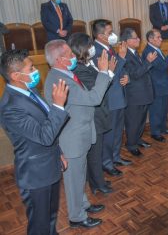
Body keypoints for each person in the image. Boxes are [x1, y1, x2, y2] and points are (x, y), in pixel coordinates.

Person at [44, 39, 112, 228]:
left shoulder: (66, 73)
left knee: (79, 176)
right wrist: (104, 72)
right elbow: (94, 98)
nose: (74, 57)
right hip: (71, 140)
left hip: (80, 134)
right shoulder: (60, 80)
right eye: (70, 55)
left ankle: (83, 205)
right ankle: (76, 217)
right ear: (59, 59)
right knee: (73, 180)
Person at [0, 49, 69, 235]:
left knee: (51, 217)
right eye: (31, 68)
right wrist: (58, 106)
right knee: (39, 225)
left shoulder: (28, 90)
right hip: (35, 175)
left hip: (50, 165)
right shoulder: (10, 107)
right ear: (16, 75)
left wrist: (59, 153)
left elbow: (47, 126)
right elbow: (44, 136)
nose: (35, 71)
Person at [68, 33, 114, 195]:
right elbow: (96, 91)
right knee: (94, 153)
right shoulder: (79, 69)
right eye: (89, 45)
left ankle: (97, 179)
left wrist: (107, 72)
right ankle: (97, 185)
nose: (93, 48)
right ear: (82, 49)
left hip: (99, 113)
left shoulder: (88, 64)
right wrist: (107, 73)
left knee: (96, 152)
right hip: (93, 115)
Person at [92, 19, 131, 177]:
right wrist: (121, 57)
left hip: (118, 96)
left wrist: (127, 77)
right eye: (109, 32)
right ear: (101, 36)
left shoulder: (110, 48)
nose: (113, 35)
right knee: (109, 134)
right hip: (109, 98)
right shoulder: (95, 51)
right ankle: (106, 163)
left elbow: (121, 70)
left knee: (117, 131)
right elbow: (106, 76)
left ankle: (115, 157)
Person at [120, 28, 156, 156]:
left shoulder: (135, 52)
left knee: (141, 121)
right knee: (133, 122)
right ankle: (131, 144)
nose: (138, 39)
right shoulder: (125, 56)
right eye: (135, 38)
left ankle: (137, 139)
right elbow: (134, 74)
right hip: (134, 95)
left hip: (143, 93)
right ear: (127, 41)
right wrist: (148, 62)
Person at [142, 29, 168, 142]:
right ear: (150, 39)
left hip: (162, 85)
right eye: (158, 37)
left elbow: (162, 65)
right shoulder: (149, 51)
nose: (161, 39)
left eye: (160, 37)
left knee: (163, 109)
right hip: (156, 86)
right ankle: (155, 133)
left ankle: (163, 128)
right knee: (156, 110)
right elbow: (162, 66)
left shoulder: (156, 49)